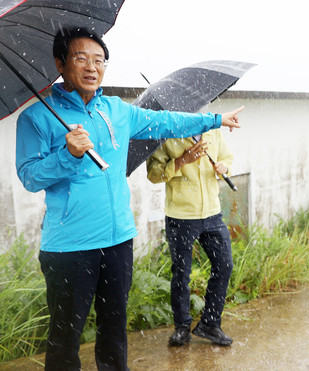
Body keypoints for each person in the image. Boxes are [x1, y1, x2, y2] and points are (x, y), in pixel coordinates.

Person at [15, 26, 243, 371]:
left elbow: (166, 121)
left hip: (119, 239)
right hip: (69, 247)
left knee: (114, 330)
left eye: (100, 60)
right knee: (65, 338)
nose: (92, 67)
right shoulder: (37, 117)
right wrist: (67, 154)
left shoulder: (118, 111)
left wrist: (215, 119)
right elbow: (30, 177)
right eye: (81, 59)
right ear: (60, 64)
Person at [146, 129, 235, 347]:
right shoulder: (166, 133)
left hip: (212, 213)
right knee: (181, 273)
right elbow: (154, 174)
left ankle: (210, 324)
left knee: (224, 265)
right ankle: (182, 328)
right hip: (181, 216)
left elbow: (227, 157)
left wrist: (223, 167)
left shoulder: (212, 130)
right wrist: (182, 160)